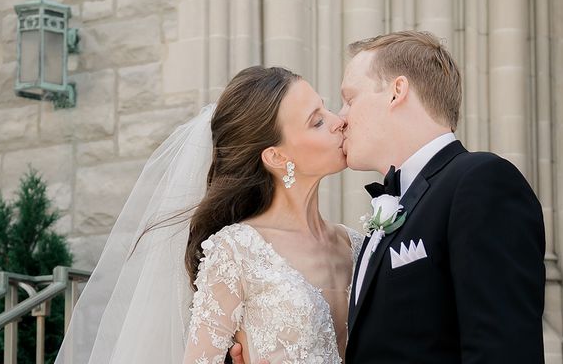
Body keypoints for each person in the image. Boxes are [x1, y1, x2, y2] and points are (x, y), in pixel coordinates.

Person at [231, 30, 546, 364]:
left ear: (397, 92)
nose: (341, 118)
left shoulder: (481, 183)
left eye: (350, 99)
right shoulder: (383, 220)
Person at [55, 66, 362, 364]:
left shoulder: (360, 245)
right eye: (316, 121)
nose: (339, 121)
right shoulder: (236, 252)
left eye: (325, 109)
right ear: (276, 156)